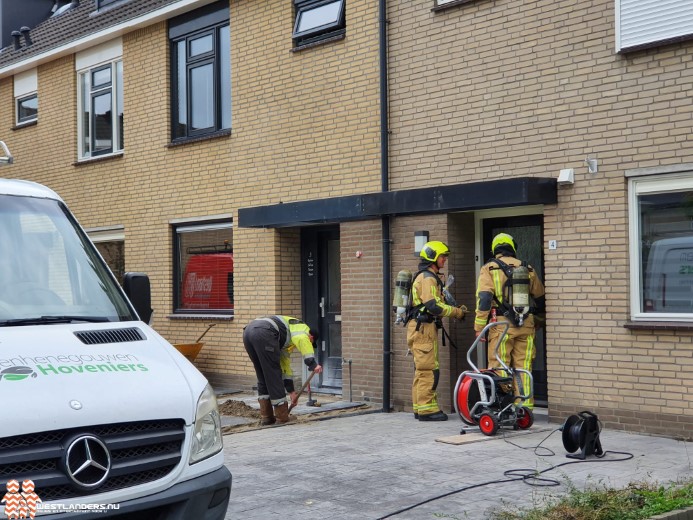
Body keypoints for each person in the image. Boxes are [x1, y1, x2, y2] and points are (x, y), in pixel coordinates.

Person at [474, 233, 546, 409]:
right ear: (513, 248)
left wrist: (479, 327)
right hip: (526, 324)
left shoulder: (489, 269)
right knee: (524, 367)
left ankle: (503, 407)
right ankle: (525, 409)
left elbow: (484, 298)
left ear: (495, 249)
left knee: (500, 366)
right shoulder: (527, 268)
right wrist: (539, 320)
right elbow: (540, 297)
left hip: (501, 326)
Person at [407, 240, 466, 421]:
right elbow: (433, 305)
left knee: (422, 370)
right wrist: (457, 312)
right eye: (442, 257)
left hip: (421, 328)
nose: (444, 260)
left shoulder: (428, 276)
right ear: (433, 257)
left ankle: (420, 407)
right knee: (429, 370)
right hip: (423, 329)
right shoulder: (428, 278)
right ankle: (427, 410)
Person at [243, 315, 323, 425]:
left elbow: (285, 367)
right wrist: (313, 364)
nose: (309, 343)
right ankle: (282, 417)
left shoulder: (284, 344)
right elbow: (302, 339)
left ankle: (267, 417)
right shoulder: (302, 328)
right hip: (264, 332)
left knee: (263, 374)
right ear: (311, 337)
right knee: (274, 375)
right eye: (310, 342)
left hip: (248, 332)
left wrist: (292, 392)